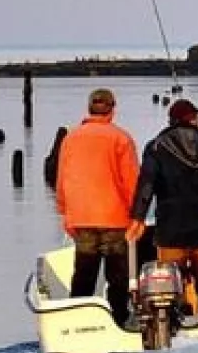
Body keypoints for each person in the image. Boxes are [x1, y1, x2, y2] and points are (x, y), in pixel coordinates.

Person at [127, 99, 198, 319]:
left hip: (171, 228)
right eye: (197, 116)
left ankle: (169, 328)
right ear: (192, 119)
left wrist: (138, 218)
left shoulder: (157, 146)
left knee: (167, 286)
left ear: (172, 119)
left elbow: (147, 185)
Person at [55, 88, 140, 325]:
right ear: (113, 109)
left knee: (84, 273)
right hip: (114, 218)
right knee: (117, 276)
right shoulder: (121, 138)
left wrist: (65, 213)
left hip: (81, 217)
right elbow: (131, 181)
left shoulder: (71, 138)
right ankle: (118, 321)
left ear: (89, 107)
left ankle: (76, 321)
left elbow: (62, 179)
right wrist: (137, 215)